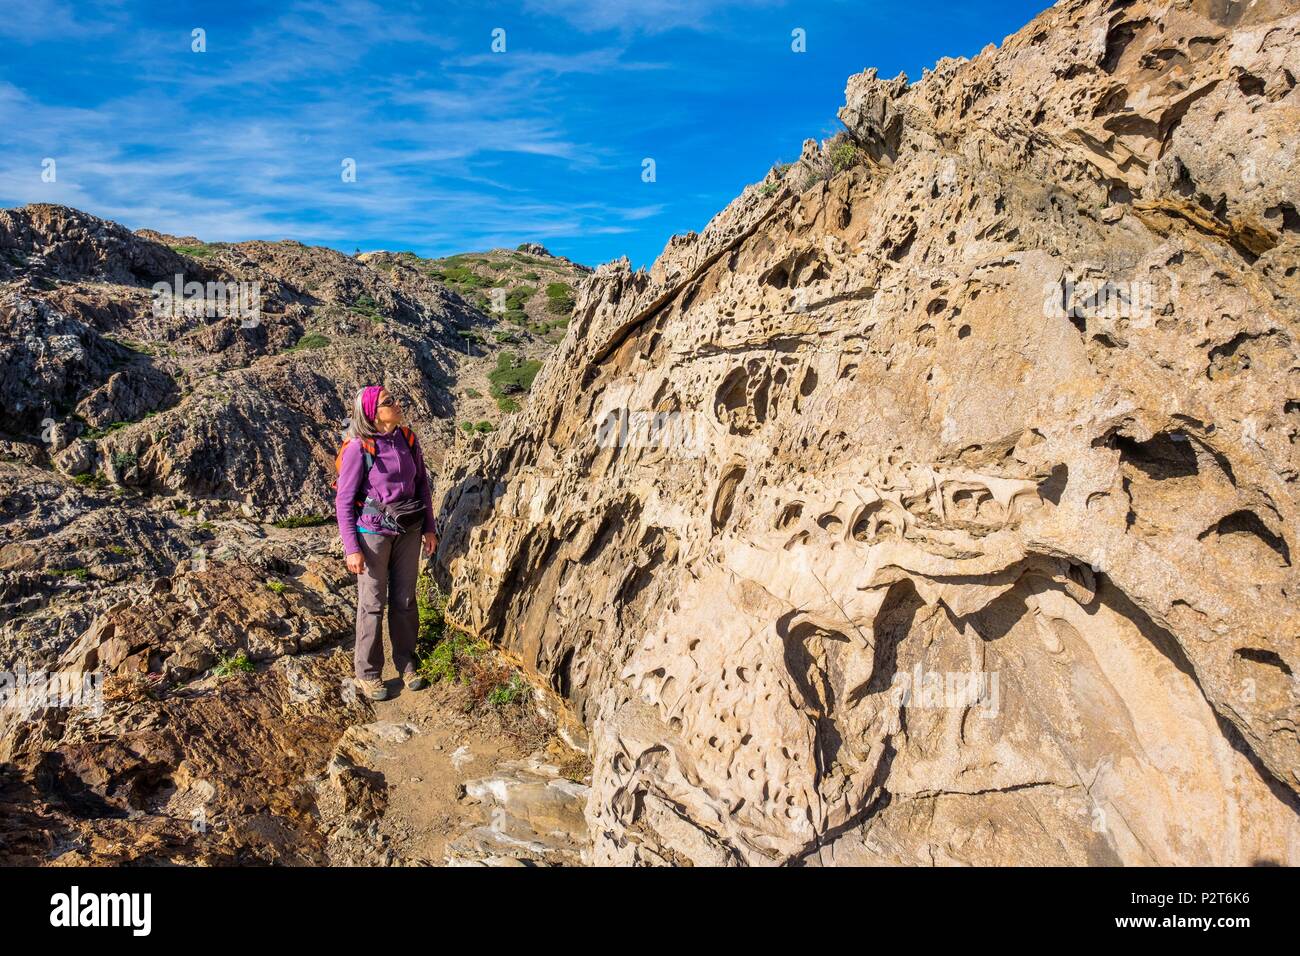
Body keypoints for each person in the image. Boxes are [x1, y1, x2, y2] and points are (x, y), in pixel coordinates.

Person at [335, 385, 438, 700]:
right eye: (388, 402)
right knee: (372, 604)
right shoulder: (358, 448)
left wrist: (429, 529)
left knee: (405, 600)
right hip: (373, 535)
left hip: (408, 530)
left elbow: (422, 484)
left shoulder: (407, 439)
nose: (397, 403)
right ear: (372, 413)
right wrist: (351, 548)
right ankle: (368, 674)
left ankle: (406, 663)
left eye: (394, 399)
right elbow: (344, 500)